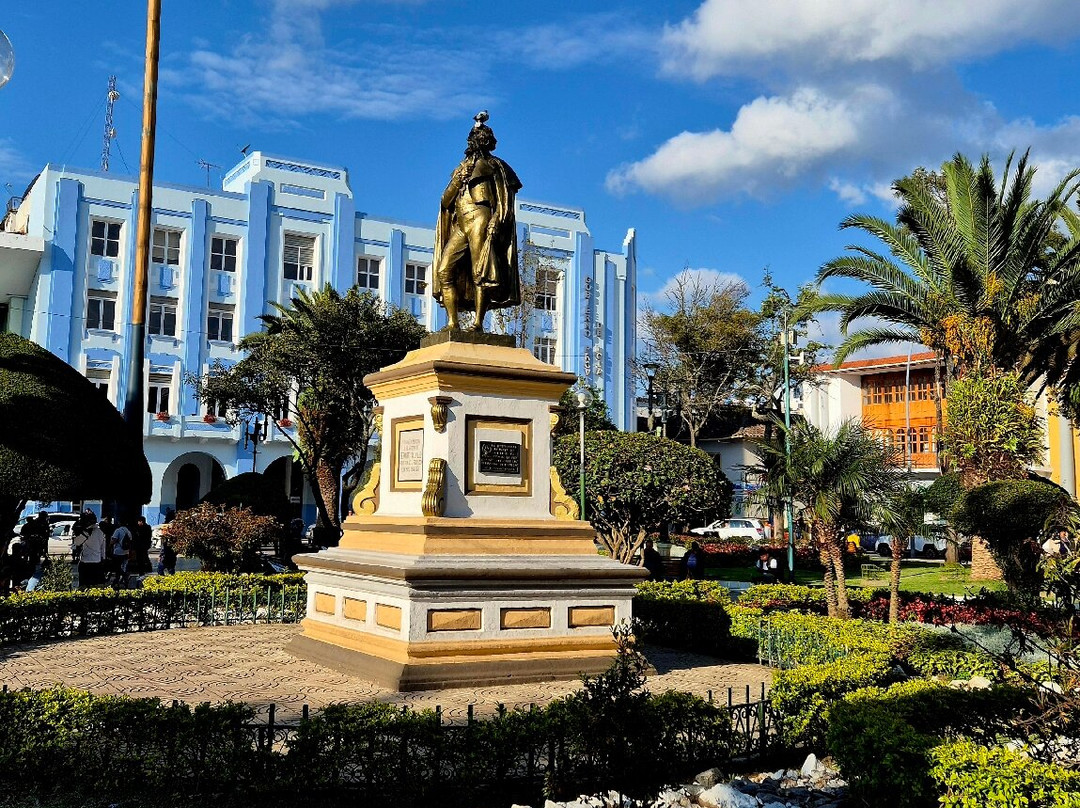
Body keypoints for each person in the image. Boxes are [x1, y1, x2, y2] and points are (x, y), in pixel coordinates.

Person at [432, 111, 522, 331]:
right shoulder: (460, 169)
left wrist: (497, 220)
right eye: (474, 138)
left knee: (479, 272)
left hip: (481, 217)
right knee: (444, 270)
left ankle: (478, 323)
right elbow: (445, 201)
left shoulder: (496, 166)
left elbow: (505, 199)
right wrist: (457, 181)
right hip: (461, 223)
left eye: (481, 137)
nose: (476, 141)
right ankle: (453, 323)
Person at [72, 512, 106, 589]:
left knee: (84, 586)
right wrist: (103, 558)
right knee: (96, 586)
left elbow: (77, 543)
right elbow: (103, 548)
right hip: (97, 562)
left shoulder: (86, 532)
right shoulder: (100, 532)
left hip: (86, 562)